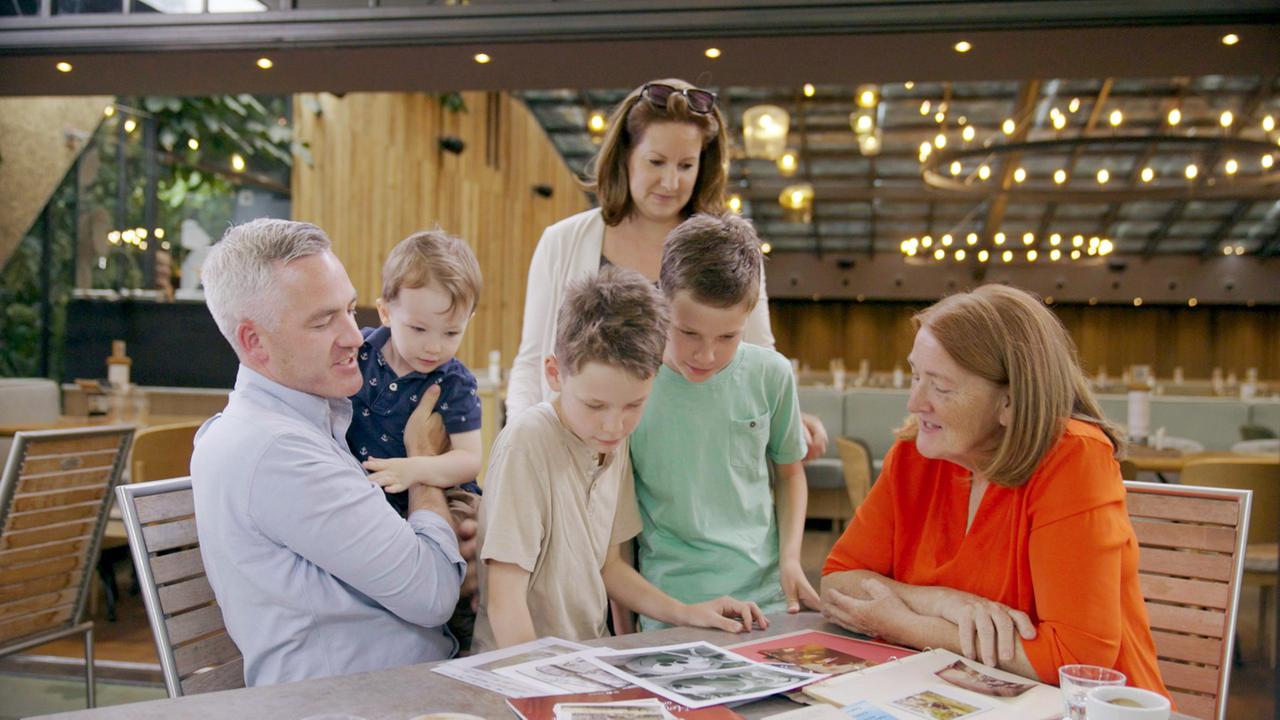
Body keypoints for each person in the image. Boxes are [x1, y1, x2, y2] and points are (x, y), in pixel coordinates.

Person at [819, 284, 1170, 699]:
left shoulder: (1073, 457)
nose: (915, 402)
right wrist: (942, 602)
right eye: (916, 376)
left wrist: (904, 623)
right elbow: (838, 584)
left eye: (941, 387)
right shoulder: (917, 453)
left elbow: (1075, 659)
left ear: (1010, 401)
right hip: (953, 695)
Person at [191, 218, 465, 687]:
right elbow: (435, 593)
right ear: (253, 342)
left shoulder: (308, 425)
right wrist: (422, 464)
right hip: (353, 701)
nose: (356, 338)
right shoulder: (277, 450)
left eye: (350, 310)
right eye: (323, 321)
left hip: (409, 685)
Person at [505, 78, 827, 459]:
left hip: (688, 458)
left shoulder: (729, 249)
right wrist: (519, 448)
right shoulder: (562, 242)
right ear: (625, 155)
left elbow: (759, 352)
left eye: (686, 165)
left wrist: (790, 417)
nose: (670, 182)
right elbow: (530, 364)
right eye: (656, 162)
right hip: (581, 455)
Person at [473, 267, 767, 650]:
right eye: (595, 404)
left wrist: (686, 612)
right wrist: (538, 691)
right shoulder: (527, 443)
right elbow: (504, 601)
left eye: (634, 404)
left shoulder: (612, 442)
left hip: (586, 660)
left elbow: (609, 567)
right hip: (517, 669)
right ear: (554, 374)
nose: (614, 425)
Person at [628, 213, 820, 630]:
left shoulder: (771, 374)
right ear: (662, 300)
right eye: (689, 333)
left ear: (749, 316)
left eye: (728, 337)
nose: (707, 355)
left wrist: (790, 558)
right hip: (668, 607)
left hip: (765, 601)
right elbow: (618, 525)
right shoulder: (633, 385)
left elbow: (789, 474)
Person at [346, 230, 483, 515]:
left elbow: (469, 459)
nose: (433, 347)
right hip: (364, 491)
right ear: (385, 313)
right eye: (418, 329)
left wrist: (415, 470)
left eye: (451, 332)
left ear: (469, 321)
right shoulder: (359, 353)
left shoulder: (455, 382)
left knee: (471, 523)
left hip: (440, 491)